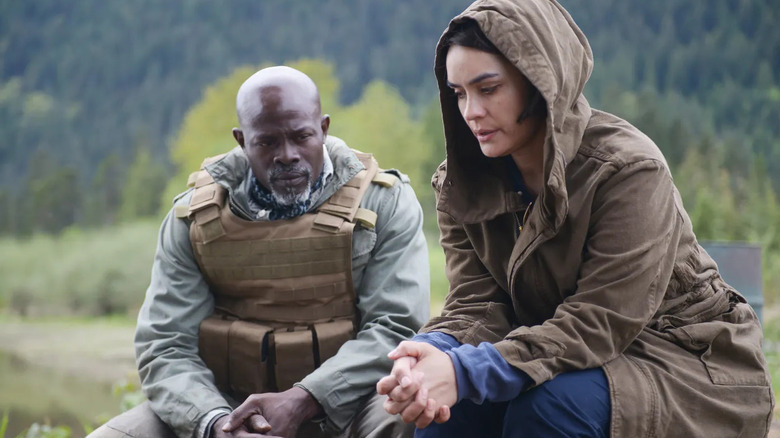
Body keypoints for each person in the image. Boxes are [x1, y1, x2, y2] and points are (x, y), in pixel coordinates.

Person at [376, 1, 775, 437]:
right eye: (458, 93)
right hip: (559, 353)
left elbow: (601, 319)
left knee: (549, 407)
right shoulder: (462, 186)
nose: (470, 111)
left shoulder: (627, 171)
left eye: (488, 88)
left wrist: (468, 371)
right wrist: (433, 357)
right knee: (448, 412)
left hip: (683, 359)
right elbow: (477, 305)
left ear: (540, 81)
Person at [90, 66, 429, 438]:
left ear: (324, 128)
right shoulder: (194, 218)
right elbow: (166, 345)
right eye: (267, 142)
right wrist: (216, 423)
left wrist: (304, 398)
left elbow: (395, 327)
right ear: (241, 140)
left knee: (407, 416)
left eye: (302, 136)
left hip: (346, 407)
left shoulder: (382, 202)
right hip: (229, 407)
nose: (287, 155)